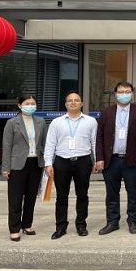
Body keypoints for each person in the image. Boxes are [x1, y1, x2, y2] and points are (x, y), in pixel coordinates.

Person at [95, 82, 136, 235]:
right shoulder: (106, 112)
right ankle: (112, 222)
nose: (124, 94)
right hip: (111, 160)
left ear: (132, 93)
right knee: (112, 193)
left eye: (127, 91)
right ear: (115, 94)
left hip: (133, 159)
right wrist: (99, 158)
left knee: (134, 193)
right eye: (121, 91)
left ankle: (133, 221)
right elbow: (99, 137)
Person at [44, 91, 98, 239]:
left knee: (82, 195)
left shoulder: (90, 121)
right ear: (66, 104)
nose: (73, 102)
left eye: (76, 100)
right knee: (61, 196)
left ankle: (81, 225)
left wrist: (97, 160)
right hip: (62, 161)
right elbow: (50, 144)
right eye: (70, 100)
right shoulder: (56, 122)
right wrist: (48, 163)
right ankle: (61, 226)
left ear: (82, 103)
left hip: (83, 161)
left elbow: (95, 142)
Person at [1, 95, 47, 241]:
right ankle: (14, 228)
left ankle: (27, 224)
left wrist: (46, 162)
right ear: (20, 105)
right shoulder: (12, 123)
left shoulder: (41, 122)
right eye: (27, 103)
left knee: (31, 196)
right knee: (15, 198)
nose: (31, 106)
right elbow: (7, 146)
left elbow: (44, 143)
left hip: (36, 163)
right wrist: (5, 167)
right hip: (17, 165)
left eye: (33, 103)